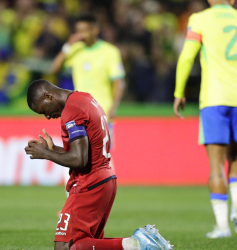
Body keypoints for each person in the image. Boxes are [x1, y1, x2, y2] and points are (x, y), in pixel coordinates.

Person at [24, 80, 173, 250]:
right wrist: (53, 149)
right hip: (105, 179)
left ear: (48, 96)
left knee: (65, 247)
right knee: (88, 244)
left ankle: (138, 244)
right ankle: (137, 244)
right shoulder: (84, 99)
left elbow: (80, 159)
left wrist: (46, 154)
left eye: (43, 111)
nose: (48, 117)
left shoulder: (72, 111)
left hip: (89, 184)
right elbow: (86, 150)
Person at [173, 0, 237, 239]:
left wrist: (179, 92)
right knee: (235, 157)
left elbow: (187, 56)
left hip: (214, 97)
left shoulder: (199, 19)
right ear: (232, 0)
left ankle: (223, 226)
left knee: (215, 166)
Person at [51, 13, 125, 191]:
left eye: (84, 30)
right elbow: (54, 69)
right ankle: (73, 200)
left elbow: (119, 82)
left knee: (101, 157)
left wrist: (114, 107)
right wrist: (68, 45)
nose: (81, 34)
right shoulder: (75, 50)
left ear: (95, 30)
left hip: (101, 112)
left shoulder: (109, 52)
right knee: (72, 154)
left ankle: (104, 196)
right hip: (78, 112)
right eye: (78, 31)